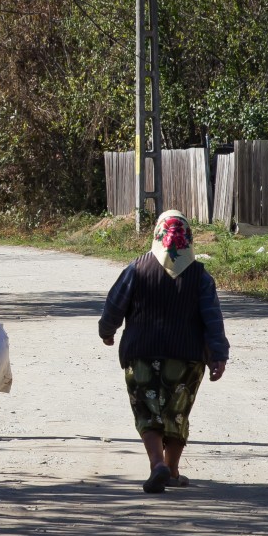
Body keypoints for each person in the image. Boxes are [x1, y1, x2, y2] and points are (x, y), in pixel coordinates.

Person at [98, 210, 229, 493]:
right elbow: (212, 319)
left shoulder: (137, 269)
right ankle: (171, 469)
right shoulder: (200, 277)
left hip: (141, 354)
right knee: (176, 412)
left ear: (157, 235)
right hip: (187, 358)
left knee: (147, 410)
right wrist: (218, 354)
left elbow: (114, 305)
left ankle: (157, 464)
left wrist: (107, 331)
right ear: (188, 238)